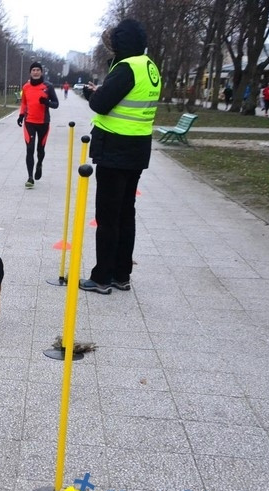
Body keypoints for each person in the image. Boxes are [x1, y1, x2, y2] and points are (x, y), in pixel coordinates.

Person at [79, 18, 161, 294]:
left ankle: (102, 277)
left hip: (115, 149)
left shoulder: (127, 68)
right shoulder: (149, 67)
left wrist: (95, 94)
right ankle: (121, 274)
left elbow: (101, 104)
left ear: (122, 44)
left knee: (108, 216)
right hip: (137, 148)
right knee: (126, 215)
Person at [17, 62, 59, 188]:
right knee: (30, 149)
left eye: (38, 70)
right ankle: (30, 177)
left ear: (41, 72)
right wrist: (21, 115)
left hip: (43, 123)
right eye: (33, 70)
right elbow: (24, 103)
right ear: (30, 72)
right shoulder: (26, 87)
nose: (35, 72)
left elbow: (56, 104)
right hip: (29, 122)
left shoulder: (48, 86)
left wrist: (46, 102)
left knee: (40, 149)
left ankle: (39, 163)